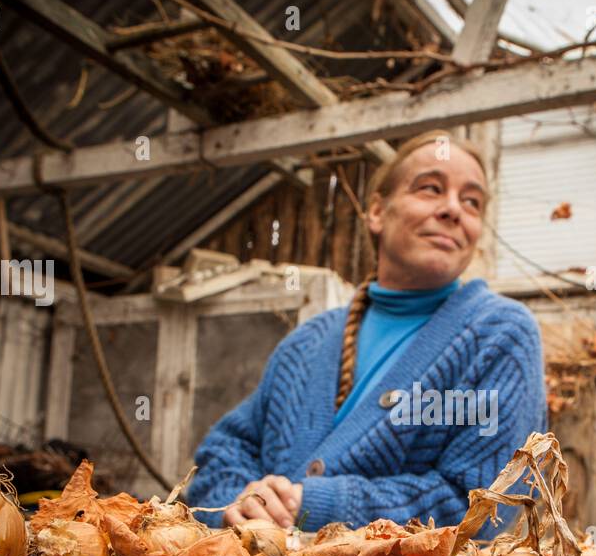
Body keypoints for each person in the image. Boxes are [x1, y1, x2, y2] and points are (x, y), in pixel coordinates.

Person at [184, 129, 546, 533]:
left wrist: (320, 505)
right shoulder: (308, 343)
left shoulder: (500, 336)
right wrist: (240, 502)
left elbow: (487, 507)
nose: (453, 210)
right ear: (377, 212)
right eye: (430, 188)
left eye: (472, 202)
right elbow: (220, 456)